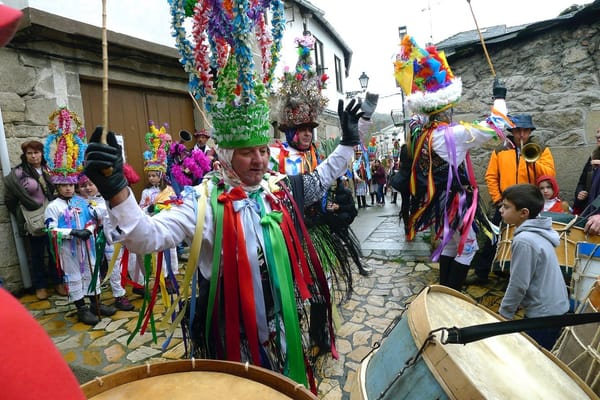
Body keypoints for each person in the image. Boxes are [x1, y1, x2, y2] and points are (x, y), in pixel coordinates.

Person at [84, 3, 362, 390]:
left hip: (279, 317)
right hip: (231, 329)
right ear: (227, 154)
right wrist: (116, 190)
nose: (260, 159)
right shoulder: (203, 203)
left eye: (263, 149)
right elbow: (146, 237)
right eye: (249, 151)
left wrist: (348, 143)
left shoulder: (276, 190)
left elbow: (320, 177)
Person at [393, 35, 512, 291]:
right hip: (456, 201)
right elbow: (497, 126)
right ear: (446, 107)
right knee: (468, 247)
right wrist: (499, 97)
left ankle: (442, 290)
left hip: (439, 201)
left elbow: (416, 120)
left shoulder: (420, 133)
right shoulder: (452, 135)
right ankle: (450, 293)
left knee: (450, 242)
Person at [44, 107, 116, 325]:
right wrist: (72, 232)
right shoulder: (53, 207)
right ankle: (81, 307)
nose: (68, 189)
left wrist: (90, 229)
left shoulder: (82, 201)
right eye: (63, 185)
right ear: (57, 186)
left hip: (88, 245)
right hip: (69, 249)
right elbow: (50, 229)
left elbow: (94, 220)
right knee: (74, 275)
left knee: (92, 271)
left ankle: (95, 302)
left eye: (70, 185)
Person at [472, 113, 558, 284]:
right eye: (518, 131)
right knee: (494, 238)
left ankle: (526, 276)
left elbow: (550, 175)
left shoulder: (541, 148)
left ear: (530, 131)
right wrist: (498, 199)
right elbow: (491, 177)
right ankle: (482, 273)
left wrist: (533, 160)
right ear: (512, 131)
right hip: (507, 203)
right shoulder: (500, 150)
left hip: (531, 204)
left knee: (529, 239)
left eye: (525, 131)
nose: (522, 135)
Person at [498, 184, 570, 350]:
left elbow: (518, 284)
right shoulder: (539, 232)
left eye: (506, 207)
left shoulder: (524, 240)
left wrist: (504, 314)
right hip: (555, 309)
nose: (501, 210)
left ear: (524, 213)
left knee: (533, 361)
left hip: (543, 316)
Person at [4, 140, 63, 300]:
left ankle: (58, 282)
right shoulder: (19, 173)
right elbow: (10, 198)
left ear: (42, 153)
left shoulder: (49, 169)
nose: (33, 156)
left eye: (36, 152)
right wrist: (24, 212)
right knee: (36, 254)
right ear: (25, 155)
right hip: (33, 220)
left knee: (55, 252)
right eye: (29, 153)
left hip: (54, 217)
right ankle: (40, 286)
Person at [77, 174, 135, 311]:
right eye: (83, 186)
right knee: (91, 268)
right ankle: (95, 300)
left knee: (114, 265)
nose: (88, 188)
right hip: (90, 240)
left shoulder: (106, 199)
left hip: (109, 239)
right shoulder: (78, 203)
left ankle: (119, 295)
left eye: (91, 184)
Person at [573, 130, 600, 215]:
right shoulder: (594, 156)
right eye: (598, 132)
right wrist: (580, 193)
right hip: (590, 209)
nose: (597, 135)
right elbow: (582, 182)